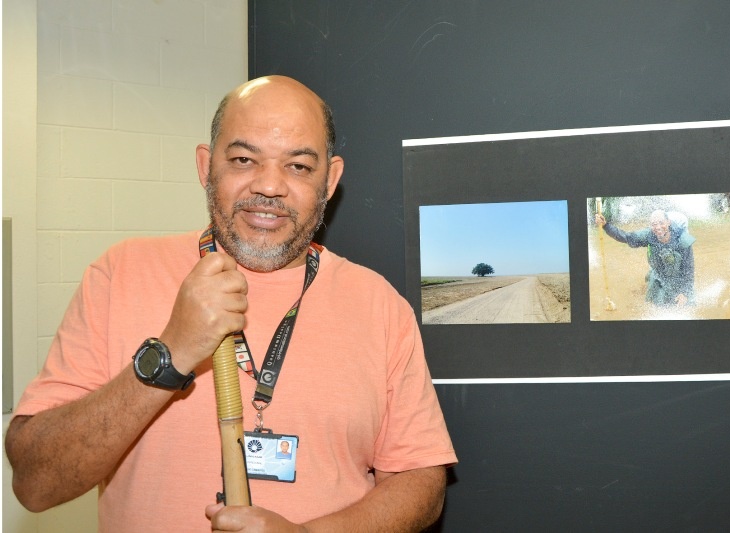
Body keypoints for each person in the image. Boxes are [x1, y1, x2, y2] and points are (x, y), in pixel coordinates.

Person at [5, 75, 457, 532]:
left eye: (298, 166)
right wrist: (171, 353)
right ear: (206, 166)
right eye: (244, 159)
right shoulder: (119, 274)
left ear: (331, 179)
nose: (269, 186)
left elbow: (420, 482)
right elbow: (34, 483)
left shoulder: (379, 305)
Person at [595, 209, 696, 307]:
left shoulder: (683, 240)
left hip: (678, 278)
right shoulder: (649, 235)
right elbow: (626, 237)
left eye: (661, 223)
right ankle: (653, 281)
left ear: (669, 222)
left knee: (684, 305)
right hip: (659, 273)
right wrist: (606, 225)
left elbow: (689, 270)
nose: (658, 227)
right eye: (654, 224)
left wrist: (684, 293)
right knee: (658, 303)